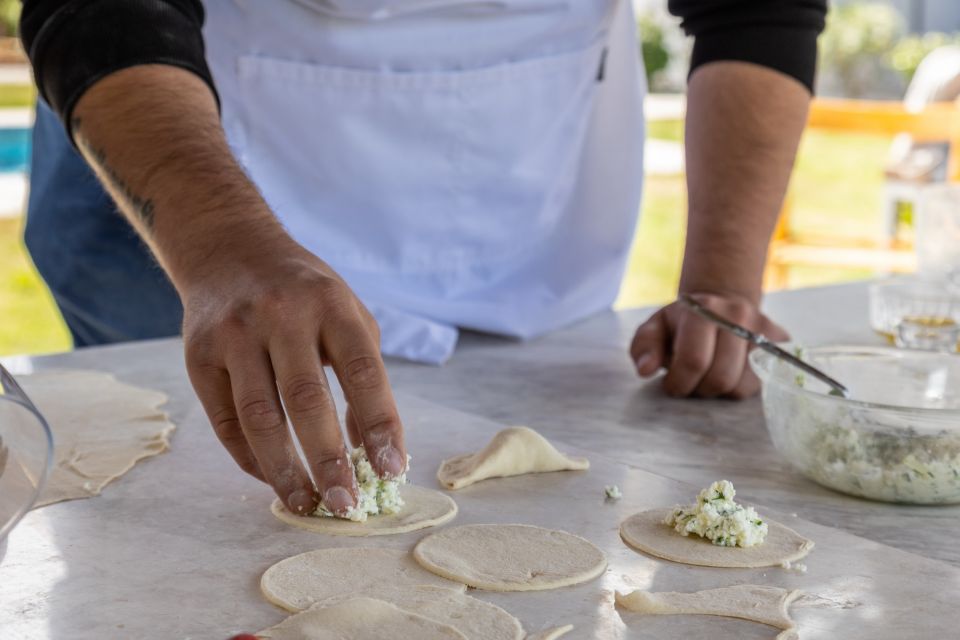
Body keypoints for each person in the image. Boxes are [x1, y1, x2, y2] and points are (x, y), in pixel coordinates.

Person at [20, 0, 826, 517]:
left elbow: (753, 8)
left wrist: (722, 279)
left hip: (533, 134)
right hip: (193, 128)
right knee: (171, 506)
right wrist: (222, 243)